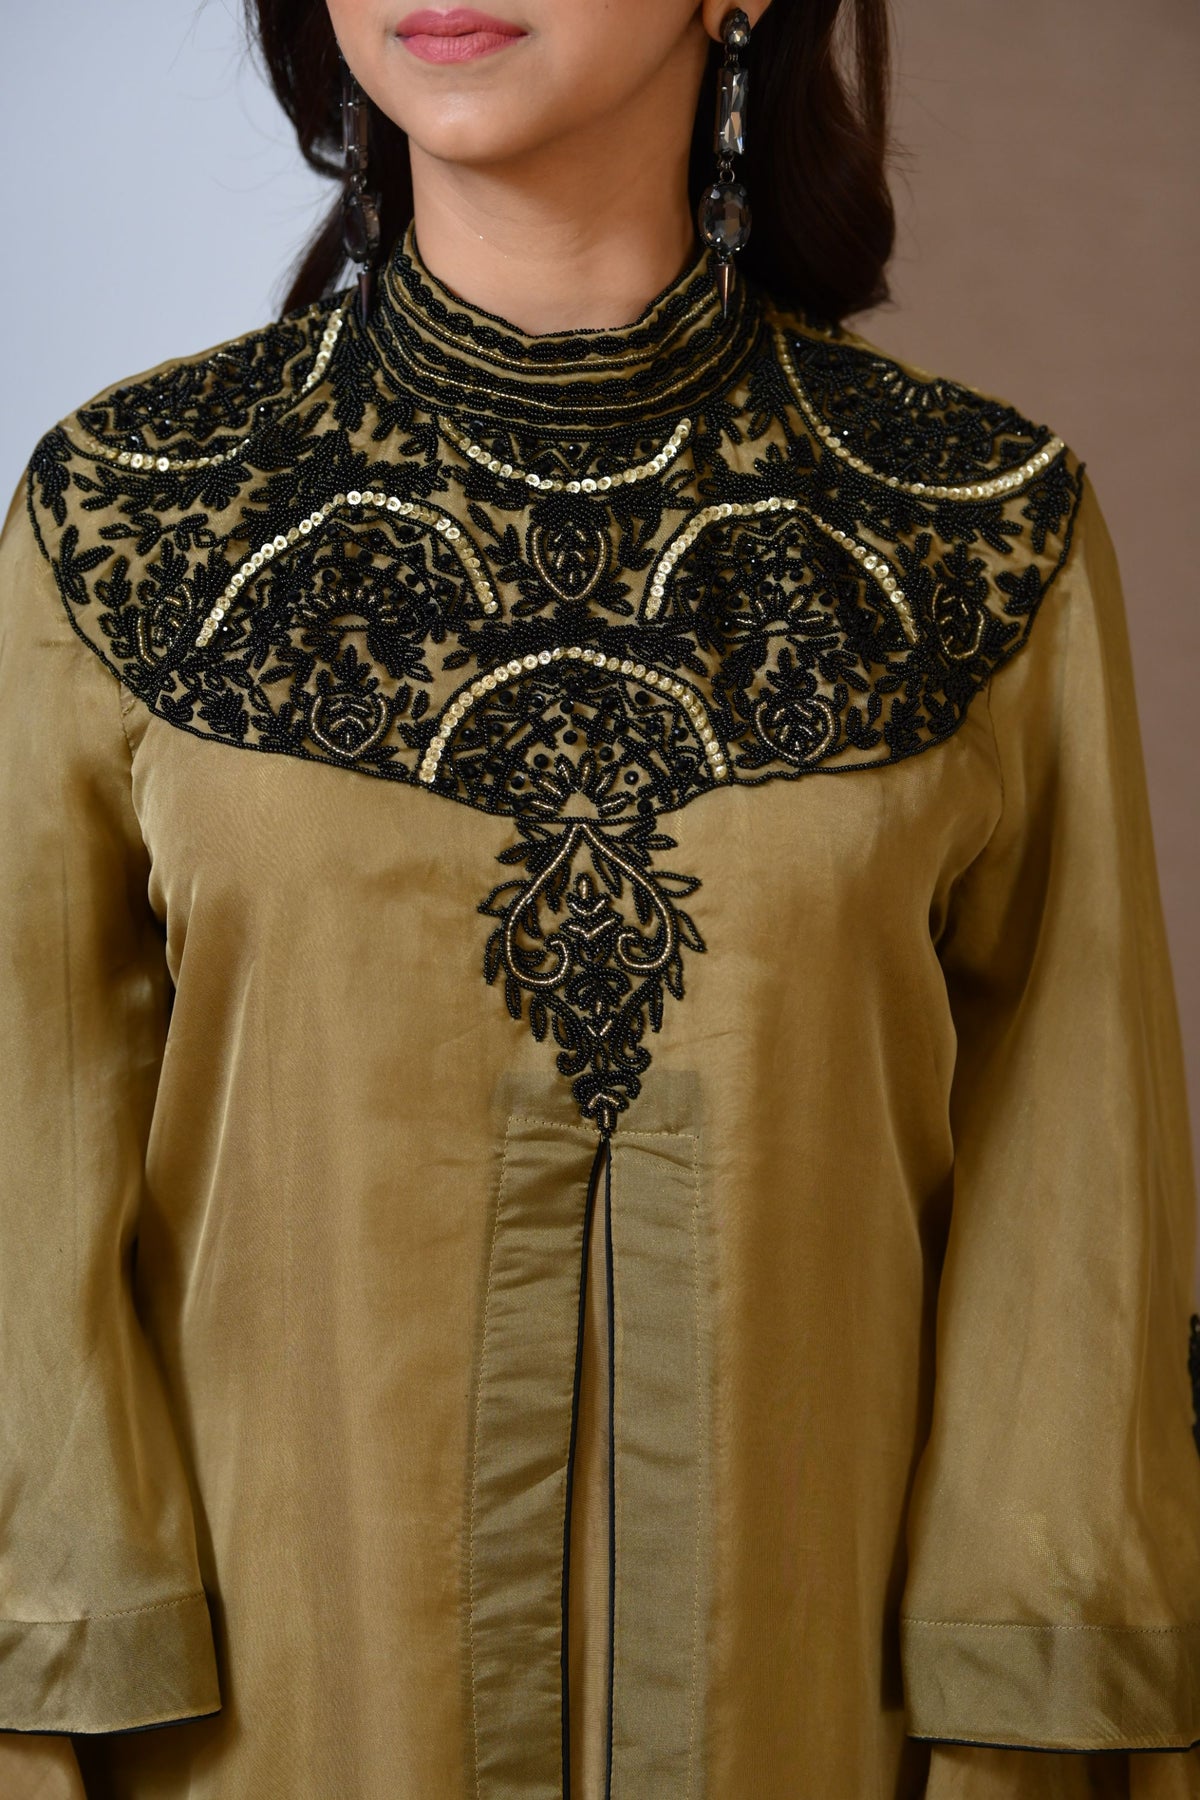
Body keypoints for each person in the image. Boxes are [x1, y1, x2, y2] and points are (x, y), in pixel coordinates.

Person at [1, 1, 1198, 1795]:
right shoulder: (130, 522)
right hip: (268, 1738)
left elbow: (1072, 1266)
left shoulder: (972, 534)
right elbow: (23, 1249)